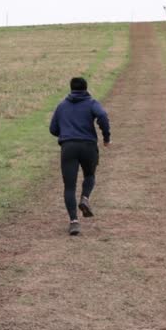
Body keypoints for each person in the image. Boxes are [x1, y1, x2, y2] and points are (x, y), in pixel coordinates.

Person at [49, 76, 111, 236]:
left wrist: (66, 131)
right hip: (88, 146)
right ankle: (84, 198)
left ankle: (74, 222)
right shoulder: (91, 103)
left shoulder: (62, 105)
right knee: (89, 175)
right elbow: (103, 115)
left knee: (69, 186)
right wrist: (106, 137)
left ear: (71, 88)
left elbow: (53, 129)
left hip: (68, 147)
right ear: (86, 87)